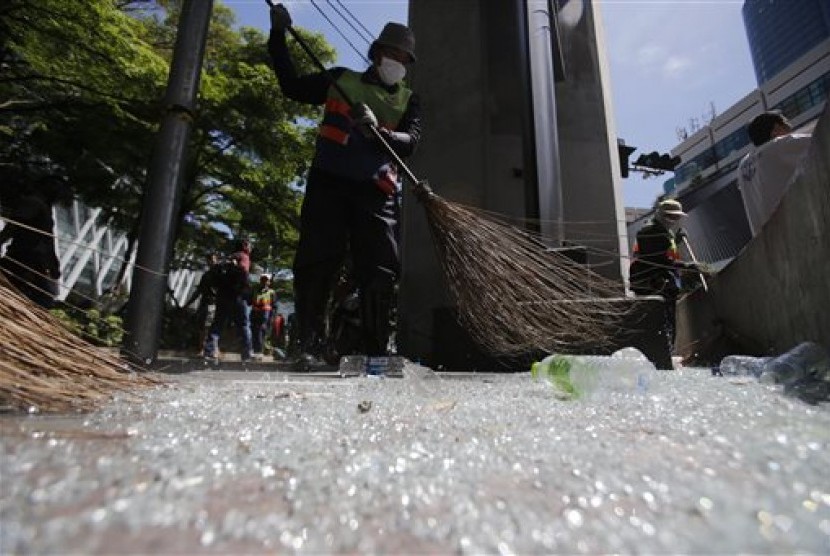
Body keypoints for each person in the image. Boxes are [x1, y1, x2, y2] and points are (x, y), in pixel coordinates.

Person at [268, 4, 422, 370]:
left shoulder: (408, 99)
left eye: (404, 58)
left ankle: (375, 355)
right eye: (392, 53)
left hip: (377, 192)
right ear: (377, 53)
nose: (397, 61)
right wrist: (277, 36)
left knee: (380, 270)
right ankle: (308, 345)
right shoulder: (341, 80)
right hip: (329, 184)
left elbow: (411, 142)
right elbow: (291, 86)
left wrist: (380, 130)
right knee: (316, 262)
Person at [629, 199, 709, 356]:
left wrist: (676, 240)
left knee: (666, 321)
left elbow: (664, 251)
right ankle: (664, 355)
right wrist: (687, 266)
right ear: (662, 215)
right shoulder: (652, 231)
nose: (674, 221)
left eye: (677, 217)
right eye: (671, 217)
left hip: (661, 282)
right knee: (662, 322)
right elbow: (660, 260)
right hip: (655, 283)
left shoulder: (661, 230)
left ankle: (665, 353)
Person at [737, 111, 812, 237]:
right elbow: (820, 139)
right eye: (787, 128)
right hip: (798, 231)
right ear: (776, 130)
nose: (790, 132)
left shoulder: (742, 166)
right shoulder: (778, 145)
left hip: (766, 244)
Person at [0, 177, 66, 309]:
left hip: (35, 261)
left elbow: (48, 240)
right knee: (41, 299)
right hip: (24, 257)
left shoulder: (44, 208)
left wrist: (54, 263)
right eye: (55, 188)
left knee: (42, 298)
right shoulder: (33, 203)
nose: (58, 194)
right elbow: (13, 227)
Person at [203, 243, 253, 362]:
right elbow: (244, 272)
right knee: (244, 325)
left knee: (218, 323)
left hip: (223, 295)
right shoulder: (244, 257)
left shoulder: (228, 258)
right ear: (245, 246)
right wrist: (247, 292)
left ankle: (209, 351)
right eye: (250, 246)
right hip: (237, 296)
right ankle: (246, 354)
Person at [184, 252, 221, 353]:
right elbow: (199, 291)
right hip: (205, 303)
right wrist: (188, 303)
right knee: (202, 326)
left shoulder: (220, 275)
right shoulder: (206, 275)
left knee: (209, 327)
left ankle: (212, 349)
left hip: (213, 303)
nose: (211, 263)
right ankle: (202, 348)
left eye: (213, 260)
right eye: (209, 260)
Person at [251, 273, 276, 359]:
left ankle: (261, 350)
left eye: (266, 280)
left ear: (269, 282)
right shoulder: (255, 290)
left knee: (262, 332)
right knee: (255, 331)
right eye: (263, 280)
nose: (264, 282)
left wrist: (272, 317)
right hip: (255, 314)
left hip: (266, 314)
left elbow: (274, 306)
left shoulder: (272, 292)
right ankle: (256, 350)